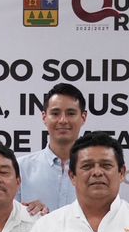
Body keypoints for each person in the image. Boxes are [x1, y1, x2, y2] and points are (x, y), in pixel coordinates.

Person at [18, 82, 88, 212]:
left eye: (71, 113)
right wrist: (25, 213)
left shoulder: (95, 171)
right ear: (44, 117)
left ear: (83, 117)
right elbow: (5, 216)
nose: (63, 120)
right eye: (55, 113)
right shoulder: (20, 168)